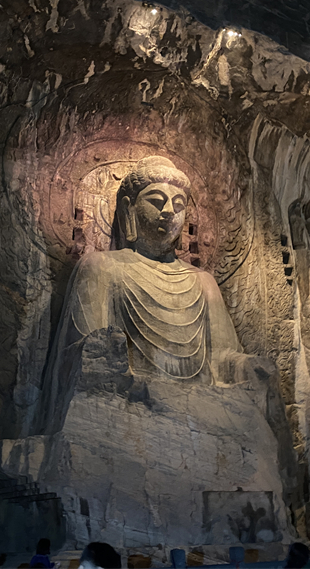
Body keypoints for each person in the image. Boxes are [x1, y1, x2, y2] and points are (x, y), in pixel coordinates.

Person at [40, 156, 274, 433]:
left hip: (200, 408)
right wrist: (102, 349)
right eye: (156, 200)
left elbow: (222, 357)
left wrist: (248, 367)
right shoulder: (102, 268)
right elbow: (82, 353)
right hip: (133, 404)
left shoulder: (203, 283)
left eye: (178, 204)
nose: (168, 211)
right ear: (129, 208)